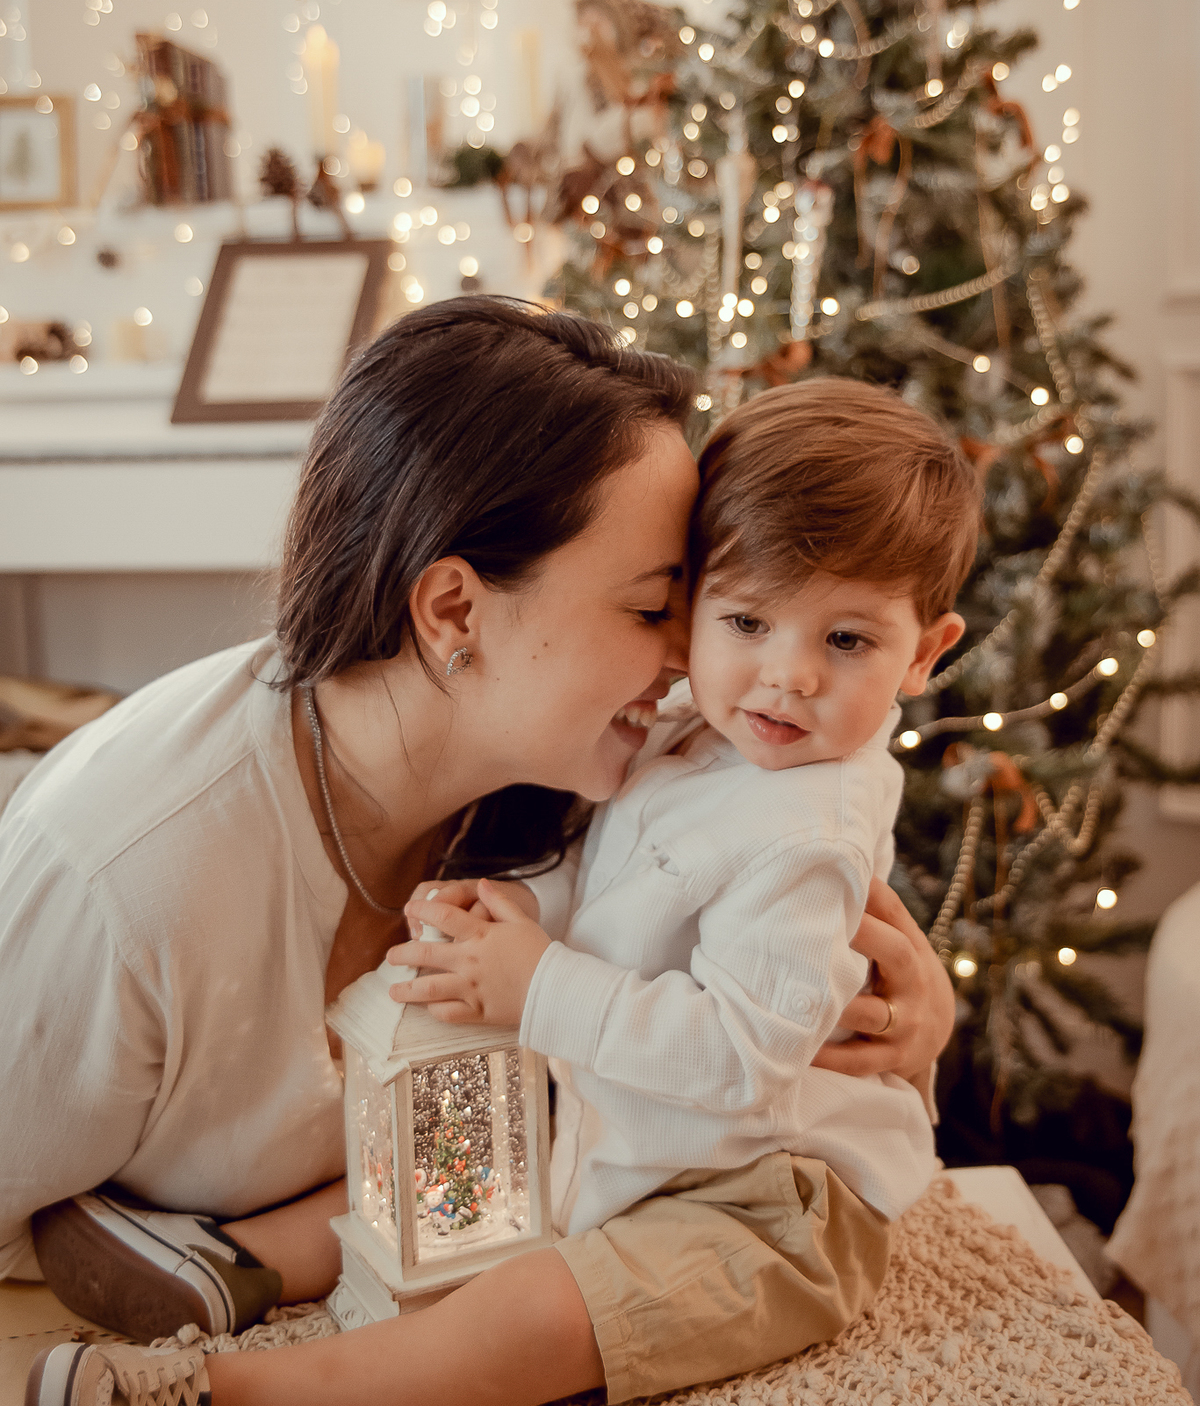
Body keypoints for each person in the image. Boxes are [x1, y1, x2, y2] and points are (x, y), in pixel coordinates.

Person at [26, 375, 972, 1406]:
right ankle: (234, 1258)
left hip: (763, 1195)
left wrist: (918, 1017)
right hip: (636, 1129)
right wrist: (532, 922)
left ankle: (245, 1390)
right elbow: (632, 877)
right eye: (700, 612)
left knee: (539, 1306)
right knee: (463, 1147)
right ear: (454, 612)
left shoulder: (775, 799)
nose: (780, 676)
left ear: (925, 652)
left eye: (846, 641)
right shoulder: (128, 871)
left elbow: (758, 1007)